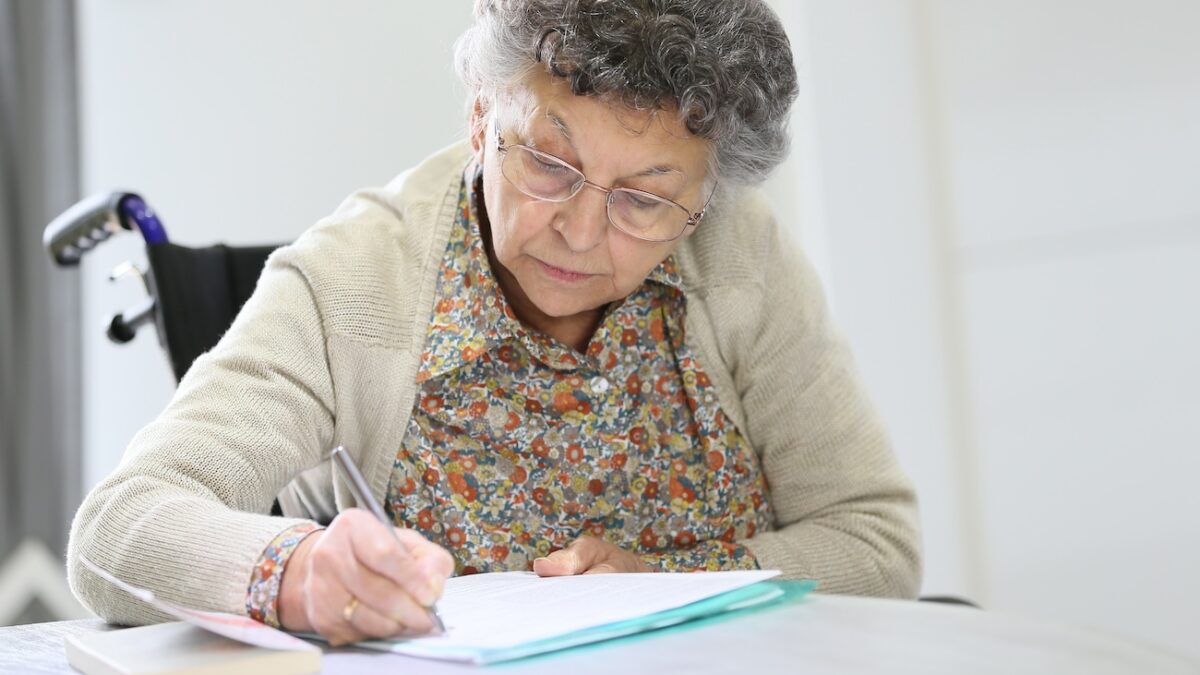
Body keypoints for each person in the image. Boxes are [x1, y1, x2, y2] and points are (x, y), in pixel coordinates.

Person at [68, 0, 921, 646]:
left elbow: (874, 540)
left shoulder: (740, 255)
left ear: (705, 197)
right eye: (549, 162)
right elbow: (119, 527)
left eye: (646, 199)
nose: (581, 232)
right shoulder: (353, 280)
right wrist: (294, 570)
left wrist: (673, 583)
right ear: (481, 116)